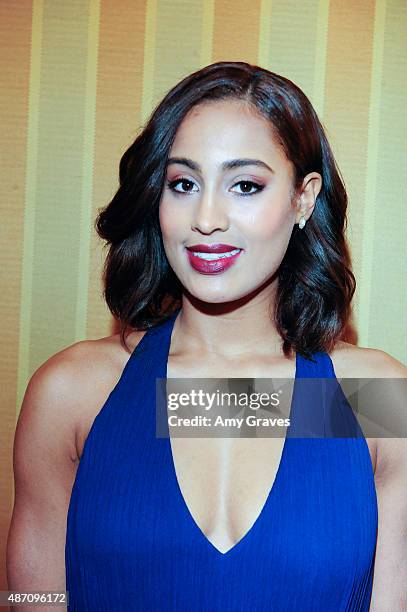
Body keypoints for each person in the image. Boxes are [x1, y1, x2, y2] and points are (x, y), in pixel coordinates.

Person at [7, 61, 407, 611]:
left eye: (245, 185)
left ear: (303, 198)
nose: (207, 217)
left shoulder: (374, 399)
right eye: (184, 183)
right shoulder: (76, 392)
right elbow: (31, 597)